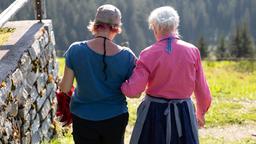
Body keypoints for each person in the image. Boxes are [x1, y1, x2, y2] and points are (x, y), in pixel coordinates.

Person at [121, 6, 212, 144]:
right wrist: (200, 113)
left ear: (155, 27)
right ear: (175, 26)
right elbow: (202, 89)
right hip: (184, 113)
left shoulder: (148, 53)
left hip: (153, 113)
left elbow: (134, 90)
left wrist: (120, 84)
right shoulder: (192, 51)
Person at [59, 4, 136, 144]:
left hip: (83, 116)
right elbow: (135, 92)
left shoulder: (75, 50)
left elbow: (65, 88)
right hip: (115, 116)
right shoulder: (127, 56)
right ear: (116, 28)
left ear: (95, 25)